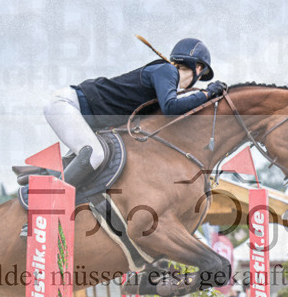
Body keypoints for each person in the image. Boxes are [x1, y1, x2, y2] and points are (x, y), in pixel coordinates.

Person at [42, 38, 227, 188]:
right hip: (66, 105)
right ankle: (47, 201)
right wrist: (206, 94)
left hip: (80, 114)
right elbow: (171, 107)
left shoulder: (163, 80)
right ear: (198, 68)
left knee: (93, 162)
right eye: (200, 77)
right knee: (95, 155)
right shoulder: (167, 70)